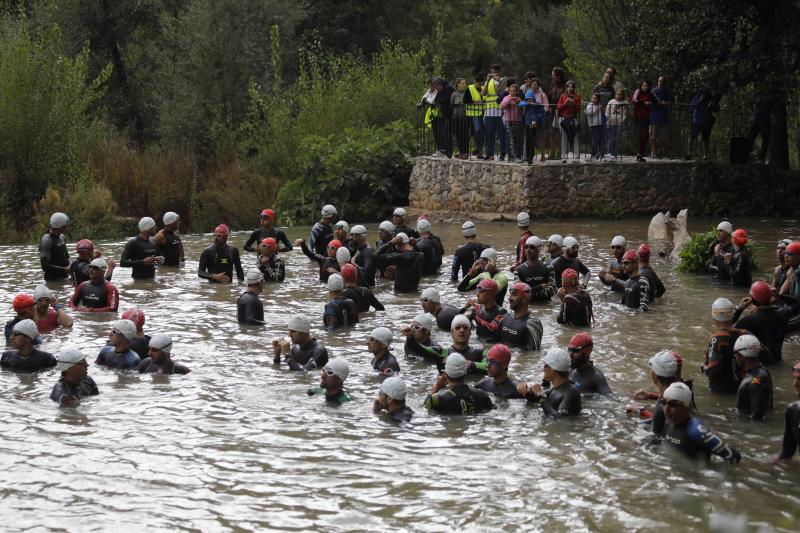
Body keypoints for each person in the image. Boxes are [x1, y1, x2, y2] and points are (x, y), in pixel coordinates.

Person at [659, 382, 741, 464]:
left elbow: (733, 456)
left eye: (673, 404)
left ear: (686, 406)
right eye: (663, 402)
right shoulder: (666, 420)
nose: (666, 409)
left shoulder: (696, 431)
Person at [733, 281, 800, 364]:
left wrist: (738, 310)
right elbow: (797, 303)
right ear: (770, 296)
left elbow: (726, 330)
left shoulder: (748, 321)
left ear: (753, 299)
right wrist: (779, 296)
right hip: (778, 361)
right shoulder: (782, 315)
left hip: (760, 366)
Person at [628, 350, 691, 435]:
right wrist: (650, 396)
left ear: (655, 376)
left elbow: (658, 428)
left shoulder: (661, 408)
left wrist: (640, 411)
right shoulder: (683, 390)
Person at [517, 347, 582, 418]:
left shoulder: (572, 392)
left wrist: (539, 394)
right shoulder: (555, 389)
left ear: (554, 369)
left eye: (545, 366)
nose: (543, 369)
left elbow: (560, 418)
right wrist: (526, 392)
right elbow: (536, 400)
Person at [424, 353, 495, 415]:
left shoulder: (436, 399)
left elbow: (425, 409)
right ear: (465, 372)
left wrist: (436, 389)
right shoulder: (482, 394)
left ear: (446, 373)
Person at [701, 298, 745, 394]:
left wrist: (704, 367)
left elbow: (713, 369)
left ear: (713, 317)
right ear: (732, 315)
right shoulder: (741, 334)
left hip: (720, 390)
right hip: (738, 385)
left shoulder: (716, 339)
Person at [733, 334, 773, 420]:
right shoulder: (762, 371)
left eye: (736, 354)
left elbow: (757, 416)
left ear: (743, 355)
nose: (735, 357)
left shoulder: (754, 381)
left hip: (745, 428)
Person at [500, 283, 544, 350]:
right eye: (510, 294)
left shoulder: (532, 323)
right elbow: (494, 344)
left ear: (524, 299)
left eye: (514, 295)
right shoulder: (505, 317)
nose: (509, 298)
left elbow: (533, 354)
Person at [514, 236, 556, 303]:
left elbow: (551, 291)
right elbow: (517, 293)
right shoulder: (518, 270)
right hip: (527, 307)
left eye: (532, 247)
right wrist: (540, 286)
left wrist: (527, 290)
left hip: (545, 306)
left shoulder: (549, 268)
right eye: (526, 247)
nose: (528, 250)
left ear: (538, 249)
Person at [773, 361, 800, 463]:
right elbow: (786, 452)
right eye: (795, 378)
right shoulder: (793, 410)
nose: (795, 384)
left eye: (799, 379)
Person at [686, 88, 721, 161]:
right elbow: (693, 105)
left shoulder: (711, 98)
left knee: (706, 138)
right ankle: (689, 153)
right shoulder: (697, 97)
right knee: (692, 136)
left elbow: (716, 109)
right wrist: (700, 100)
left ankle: (706, 155)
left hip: (706, 121)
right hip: (697, 120)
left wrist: (713, 104)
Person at [520, 79, 548, 163]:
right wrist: (527, 103)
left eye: (530, 99)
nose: (529, 100)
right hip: (527, 123)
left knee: (532, 138)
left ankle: (530, 156)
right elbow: (520, 104)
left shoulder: (538, 104)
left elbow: (543, 113)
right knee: (529, 139)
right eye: (528, 99)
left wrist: (536, 118)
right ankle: (529, 155)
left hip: (536, 123)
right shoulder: (526, 102)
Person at [483, 66, 507, 161]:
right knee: (489, 134)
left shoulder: (504, 81)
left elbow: (505, 91)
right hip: (489, 111)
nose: (494, 74)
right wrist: (488, 81)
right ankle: (490, 154)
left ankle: (503, 153)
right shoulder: (488, 81)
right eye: (492, 72)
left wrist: (499, 80)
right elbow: (484, 93)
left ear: (499, 72)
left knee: (502, 134)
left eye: (496, 72)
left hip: (500, 112)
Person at [39, 212, 70, 281]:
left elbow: (67, 256)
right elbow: (45, 266)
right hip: (52, 280)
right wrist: (64, 269)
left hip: (64, 277)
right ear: (61, 226)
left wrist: (71, 265)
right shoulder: (46, 240)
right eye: (66, 225)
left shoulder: (62, 237)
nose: (68, 226)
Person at [556, 80, 581, 159]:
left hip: (573, 118)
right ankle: (563, 155)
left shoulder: (577, 97)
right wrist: (565, 103)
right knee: (564, 137)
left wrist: (574, 103)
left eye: (572, 87)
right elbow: (558, 108)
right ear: (566, 88)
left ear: (574, 88)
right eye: (568, 87)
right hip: (563, 118)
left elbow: (578, 109)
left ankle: (577, 154)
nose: (570, 88)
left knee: (575, 136)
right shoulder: (563, 96)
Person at [649, 76, 673, 158]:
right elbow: (649, 101)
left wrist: (664, 103)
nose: (660, 83)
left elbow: (670, 102)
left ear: (665, 83)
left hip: (663, 116)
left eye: (662, 81)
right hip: (654, 116)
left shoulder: (668, 92)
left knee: (663, 137)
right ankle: (653, 152)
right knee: (653, 136)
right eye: (659, 81)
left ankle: (661, 152)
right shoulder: (653, 91)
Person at [631, 80, 654, 162]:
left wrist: (651, 103)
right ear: (641, 86)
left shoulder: (650, 94)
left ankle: (641, 153)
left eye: (646, 86)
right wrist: (644, 103)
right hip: (639, 116)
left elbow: (655, 101)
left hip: (646, 117)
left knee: (646, 135)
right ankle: (639, 153)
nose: (645, 87)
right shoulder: (638, 92)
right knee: (642, 134)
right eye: (644, 85)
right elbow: (634, 100)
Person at [501, 83, 524, 162]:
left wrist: (519, 102)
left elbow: (523, 108)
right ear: (509, 92)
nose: (512, 92)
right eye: (511, 91)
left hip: (518, 121)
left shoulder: (518, 99)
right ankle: (511, 156)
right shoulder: (506, 98)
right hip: (508, 121)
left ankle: (518, 156)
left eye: (514, 91)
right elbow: (502, 105)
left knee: (517, 139)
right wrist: (509, 98)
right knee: (510, 138)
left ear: (516, 92)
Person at [431, 78, 454, 157]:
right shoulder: (440, 90)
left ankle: (449, 151)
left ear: (440, 85)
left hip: (451, 114)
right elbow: (436, 99)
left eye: (437, 87)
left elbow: (446, 99)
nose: (436, 90)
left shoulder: (449, 88)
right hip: (445, 114)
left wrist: (439, 101)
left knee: (447, 132)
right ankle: (445, 150)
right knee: (444, 132)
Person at [465, 75, 485, 158]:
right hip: (473, 114)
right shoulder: (469, 88)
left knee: (482, 132)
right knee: (477, 131)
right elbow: (465, 100)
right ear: (476, 82)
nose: (480, 85)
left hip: (482, 113)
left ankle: (478, 149)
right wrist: (474, 101)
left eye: (481, 83)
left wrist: (483, 101)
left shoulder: (483, 88)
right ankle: (478, 150)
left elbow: (485, 98)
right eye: (479, 83)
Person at [548, 67, 567, 156]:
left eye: (553, 74)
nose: (551, 75)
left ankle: (559, 153)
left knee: (560, 131)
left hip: (562, 111)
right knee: (552, 131)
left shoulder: (565, 85)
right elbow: (549, 95)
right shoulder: (553, 84)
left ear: (558, 76)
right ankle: (552, 153)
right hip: (553, 110)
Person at [450, 77, 470, 158]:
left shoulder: (467, 93)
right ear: (458, 84)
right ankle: (461, 152)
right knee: (458, 135)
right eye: (462, 83)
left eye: (465, 83)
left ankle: (466, 152)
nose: (464, 85)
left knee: (465, 135)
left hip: (465, 116)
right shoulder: (454, 94)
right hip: (456, 117)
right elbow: (451, 105)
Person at [605, 88, 627, 160]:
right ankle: (609, 153)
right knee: (611, 139)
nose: (618, 96)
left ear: (622, 96)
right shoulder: (611, 101)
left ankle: (615, 154)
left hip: (618, 124)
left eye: (620, 95)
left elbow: (624, 113)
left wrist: (622, 120)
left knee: (616, 139)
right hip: (611, 123)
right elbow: (607, 112)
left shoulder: (623, 103)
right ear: (615, 95)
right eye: (617, 94)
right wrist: (607, 121)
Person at [585, 93, 604, 160]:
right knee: (595, 140)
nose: (594, 100)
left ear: (598, 99)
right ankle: (593, 155)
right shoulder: (589, 105)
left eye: (595, 99)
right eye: (593, 98)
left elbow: (602, 114)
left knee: (600, 140)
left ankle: (600, 154)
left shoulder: (599, 105)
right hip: (593, 125)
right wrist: (596, 109)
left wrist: (601, 110)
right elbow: (589, 113)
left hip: (600, 124)